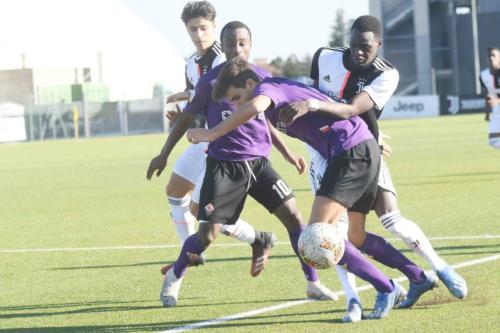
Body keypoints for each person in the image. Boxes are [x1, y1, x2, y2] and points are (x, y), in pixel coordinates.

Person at [186, 57, 443, 320]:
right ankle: (417, 277)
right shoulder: (275, 92)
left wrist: (212, 133)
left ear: (250, 84)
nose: (237, 104)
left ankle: (387, 288)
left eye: (237, 97)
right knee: (355, 236)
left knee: (315, 238)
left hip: (351, 153)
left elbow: (254, 106)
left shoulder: (267, 89)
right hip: (354, 152)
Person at [286, 15, 467, 313]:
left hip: (362, 149)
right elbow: (309, 94)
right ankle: (360, 298)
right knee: (340, 233)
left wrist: (317, 106)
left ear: (379, 46)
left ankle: (442, 267)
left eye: (366, 47)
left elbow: (353, 109)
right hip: (323, 152)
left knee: (392, 219)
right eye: (354, 45)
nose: (359, 52)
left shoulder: (387, 74)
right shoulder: (324, 57)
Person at [158, 21, 336, 308]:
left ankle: (313, 283)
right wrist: (164, 153)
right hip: (224, 166)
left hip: (259, 164)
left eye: (242, 43)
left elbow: (265, 119)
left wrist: (288, 153)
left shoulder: (263, 79)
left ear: (250, 44)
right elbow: (187, 118)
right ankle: (175, 277)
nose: (237, 49)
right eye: (231, 44)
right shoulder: (211, 82)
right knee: (207, 236)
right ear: (224, 46)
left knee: (294, 218)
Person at [146, 1, 264, 258]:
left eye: (203, 28)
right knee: (175, 192)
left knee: (202, 211)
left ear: (214, 26)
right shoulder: (191, 63)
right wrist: (185, 114)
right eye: (192, 30)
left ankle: (256, 239)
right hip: (204, 137)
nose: (198, 36)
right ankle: (191, 252)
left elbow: (235, 100)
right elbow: (199, 104)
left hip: (227, 141)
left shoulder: (227, 57)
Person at [479, 46, 500, 148]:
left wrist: (497, 100)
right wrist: (487, 113)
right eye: (489, 56)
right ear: (486, 59)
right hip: (497, 110)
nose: (491, 58)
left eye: (494, 55)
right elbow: (487, 95)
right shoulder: (483, 75)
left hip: (498, 104)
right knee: (493, 140)